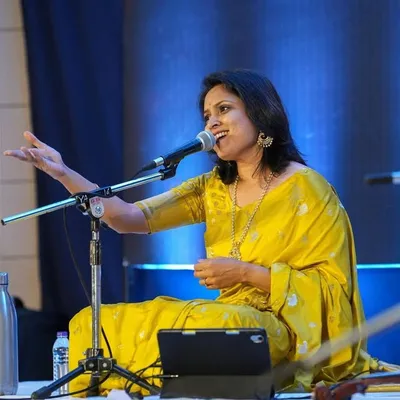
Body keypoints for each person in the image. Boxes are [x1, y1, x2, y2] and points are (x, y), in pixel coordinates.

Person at [3, 69, 391, 395]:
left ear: (260, 113)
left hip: (286, 329)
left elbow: (334, 292)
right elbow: (126, 217)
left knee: (227, 328)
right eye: (207, 116)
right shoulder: (212, 188)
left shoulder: (307, 188)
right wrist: (63, 173)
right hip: (228, 316)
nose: (212, 123)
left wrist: (246, 274)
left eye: (224, 109)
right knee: (97, 322)